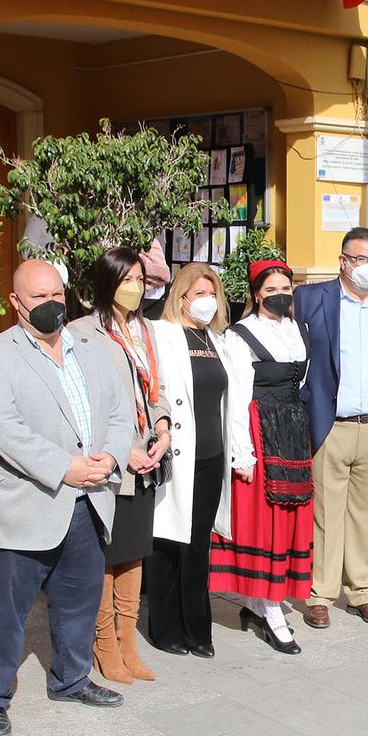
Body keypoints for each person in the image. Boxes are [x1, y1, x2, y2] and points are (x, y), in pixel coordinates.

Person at [0, 259, 133, 736]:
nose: (50, 304)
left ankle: (71, 678)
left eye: (56, 295)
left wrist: (110, 459)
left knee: (78, 603)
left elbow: (121, 411)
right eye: (38, 297)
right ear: (17, 302)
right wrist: (66, 467)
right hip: (26, 504)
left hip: (91, 498)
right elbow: (3, 429)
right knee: (4, 612)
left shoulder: (94, 347)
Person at [66, 247, 171, 684]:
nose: (135, 288)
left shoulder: (145, 330)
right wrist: (122, 445)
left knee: (134, 553)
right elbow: (81, 401)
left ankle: (127, 642)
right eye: (126, 279)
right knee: (107, 557)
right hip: (110, 462)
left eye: (140, 280)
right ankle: (103, 645)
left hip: (146, 459)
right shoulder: (82, 332)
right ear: (107, 282)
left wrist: (163, 427)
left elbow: (155, 388)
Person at [294, 227, 368, 629]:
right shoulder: (311, 298)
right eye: (361, 259)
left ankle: (363, 593)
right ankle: (320, 594)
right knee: (325, 515)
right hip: (330, 424)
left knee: (366, 514)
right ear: (343, 261)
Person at [147, 262, 253, 656]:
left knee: (197, 545)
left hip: (211, 455)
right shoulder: (162, 334)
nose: (207, 301)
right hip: (178, 453)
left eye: (213, 294)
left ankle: (198, 628)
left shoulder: (217, 340)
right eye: (199, 294)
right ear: (181, 297)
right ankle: (165, 627)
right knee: (168, 541)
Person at [215, 261, 314, 654]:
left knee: (291, 518)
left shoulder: (299, 329)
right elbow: (237, 397)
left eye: (287, 287)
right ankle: (270, 607)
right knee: (267, 522)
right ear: (257, 293)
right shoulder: (241, 335)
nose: (281, 293)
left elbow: (300, 382)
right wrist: (244, 453)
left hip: (293, 427)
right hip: (260, 430)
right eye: (272, 288)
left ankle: (259, 604)